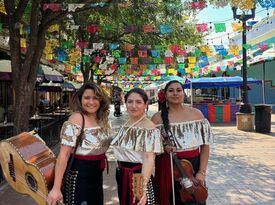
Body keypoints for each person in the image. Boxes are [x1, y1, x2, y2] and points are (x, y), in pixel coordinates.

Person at [47, 82, 112, 205]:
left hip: (96, 174)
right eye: (87, 98)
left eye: (95, 98)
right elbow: (64, 155)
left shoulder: (102, 117)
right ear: (80, 99)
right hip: (79, 175)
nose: (91, 102)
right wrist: (56, 188)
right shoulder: (77, 118)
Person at [151, 80, 213, 205]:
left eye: (178, 90)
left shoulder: (197, 114)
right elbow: (151, 149)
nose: (175, 93)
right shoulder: (157, 118)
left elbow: (205, 146)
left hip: (193, 168)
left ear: (183, 93)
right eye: (171, 90)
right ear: (165, 95)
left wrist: (201, 172)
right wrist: (164, 148)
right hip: (167, 168)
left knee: (195, 200)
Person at [111, 88, 163, 205]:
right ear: (125, 103)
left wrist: (141, 188)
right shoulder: (127, 123)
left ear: (146, 104)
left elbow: (148, 158)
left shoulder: (148, 127)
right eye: (130, 102)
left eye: (138, 102)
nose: (133, 106)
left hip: (138, 176)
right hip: (122, 174)